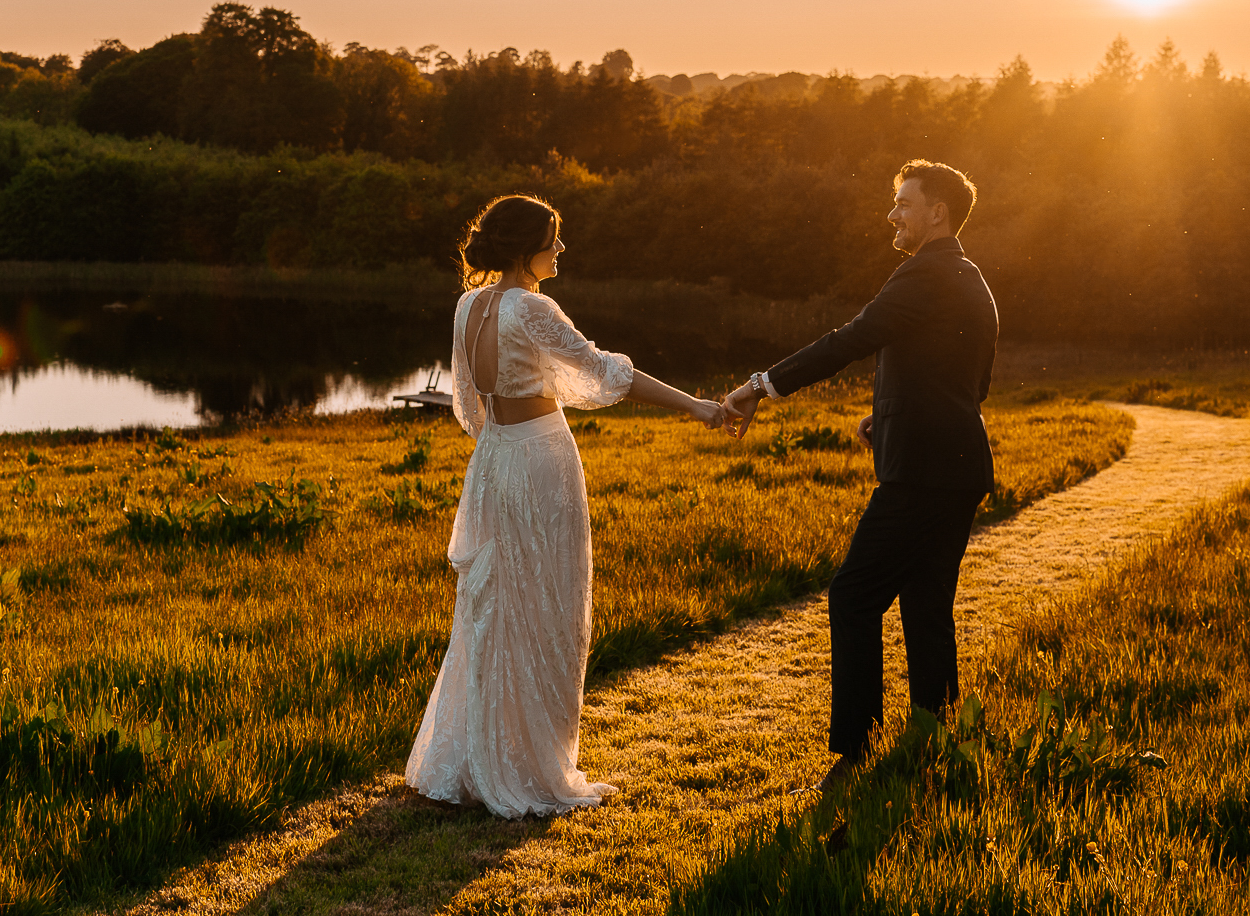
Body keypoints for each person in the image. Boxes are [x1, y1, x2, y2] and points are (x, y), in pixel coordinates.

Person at [406, 194, 726, 818]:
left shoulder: (469, 305)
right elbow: (609, 373)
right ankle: (529, 765)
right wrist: (696, 406)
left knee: (495, 607)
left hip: (495, 459)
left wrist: (500, 443)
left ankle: (477, 755)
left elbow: (470, 407)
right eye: (553, 240)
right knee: (547, 605)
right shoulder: (531, 308)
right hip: (541, 459)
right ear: (527, 248)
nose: (560, 250)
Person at [721, 160, 997, 793]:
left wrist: (763, 384)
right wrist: (888, 419)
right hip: (953, 465)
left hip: (925, 473)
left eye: (904, 203)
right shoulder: (967, 278)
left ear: (938, 213)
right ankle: (940, 739)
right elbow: (967, 382)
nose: (892, 214)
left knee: (853, 595)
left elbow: (853, 337)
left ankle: (855, 754)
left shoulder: (926, 274)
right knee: (927, 607)